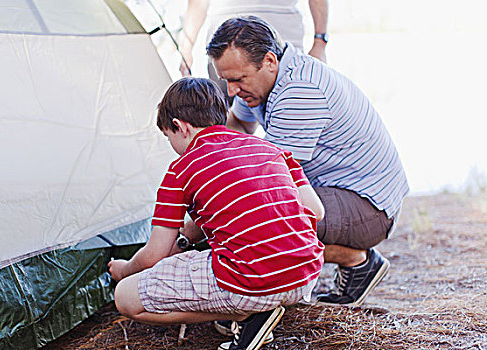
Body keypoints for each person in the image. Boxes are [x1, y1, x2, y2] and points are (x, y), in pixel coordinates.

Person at [206, 16, 410, 308]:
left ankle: (356, 260)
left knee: (261, 219)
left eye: (238, 80)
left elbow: (267, 181)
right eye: (227, 80)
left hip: (370, 207)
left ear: (269, 61)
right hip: (339, 191)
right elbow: (238, 124)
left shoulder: (299, 92)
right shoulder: (263, 79)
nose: (231, 91)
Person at [108, 77, 325, 350]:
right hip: (304, 277)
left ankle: (246, 314)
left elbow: (154, 254)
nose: (172, 146)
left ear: (179, 126)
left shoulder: (181, 169)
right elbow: (316, 212)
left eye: (169, 137)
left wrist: (125, 270)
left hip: (249, 282)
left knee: (125, 297)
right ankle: (259, 307)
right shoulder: (272, 149)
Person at [179, 0, 329, 104]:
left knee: (291, 116)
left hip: (281, 47)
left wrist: (320, 42)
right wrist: (186, 45)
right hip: (224, 52)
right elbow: (198, 3)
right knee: (231, 118)